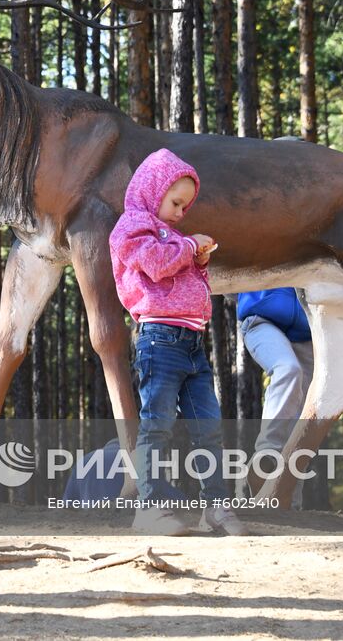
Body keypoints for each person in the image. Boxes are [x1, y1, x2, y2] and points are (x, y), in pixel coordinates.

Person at [110, 148, 247, 536]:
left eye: (186, 206)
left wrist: (199, 262)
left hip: (193, 342)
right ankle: (149, 508)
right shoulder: (131, 226)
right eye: (175, 202)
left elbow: (188, 284)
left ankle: (215, 508)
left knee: (208, 425)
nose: (180, 211)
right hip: (160, 339)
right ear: (153, 191)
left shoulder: (174, 237)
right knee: (158, 425)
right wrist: (189, 248)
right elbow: (154, 263)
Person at [236, 287, 313, 504]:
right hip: (261, 320)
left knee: (305, 415)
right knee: (287, 369)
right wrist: (256, 296)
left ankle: (289, 504)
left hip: (308, 332)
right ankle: (267, 456)